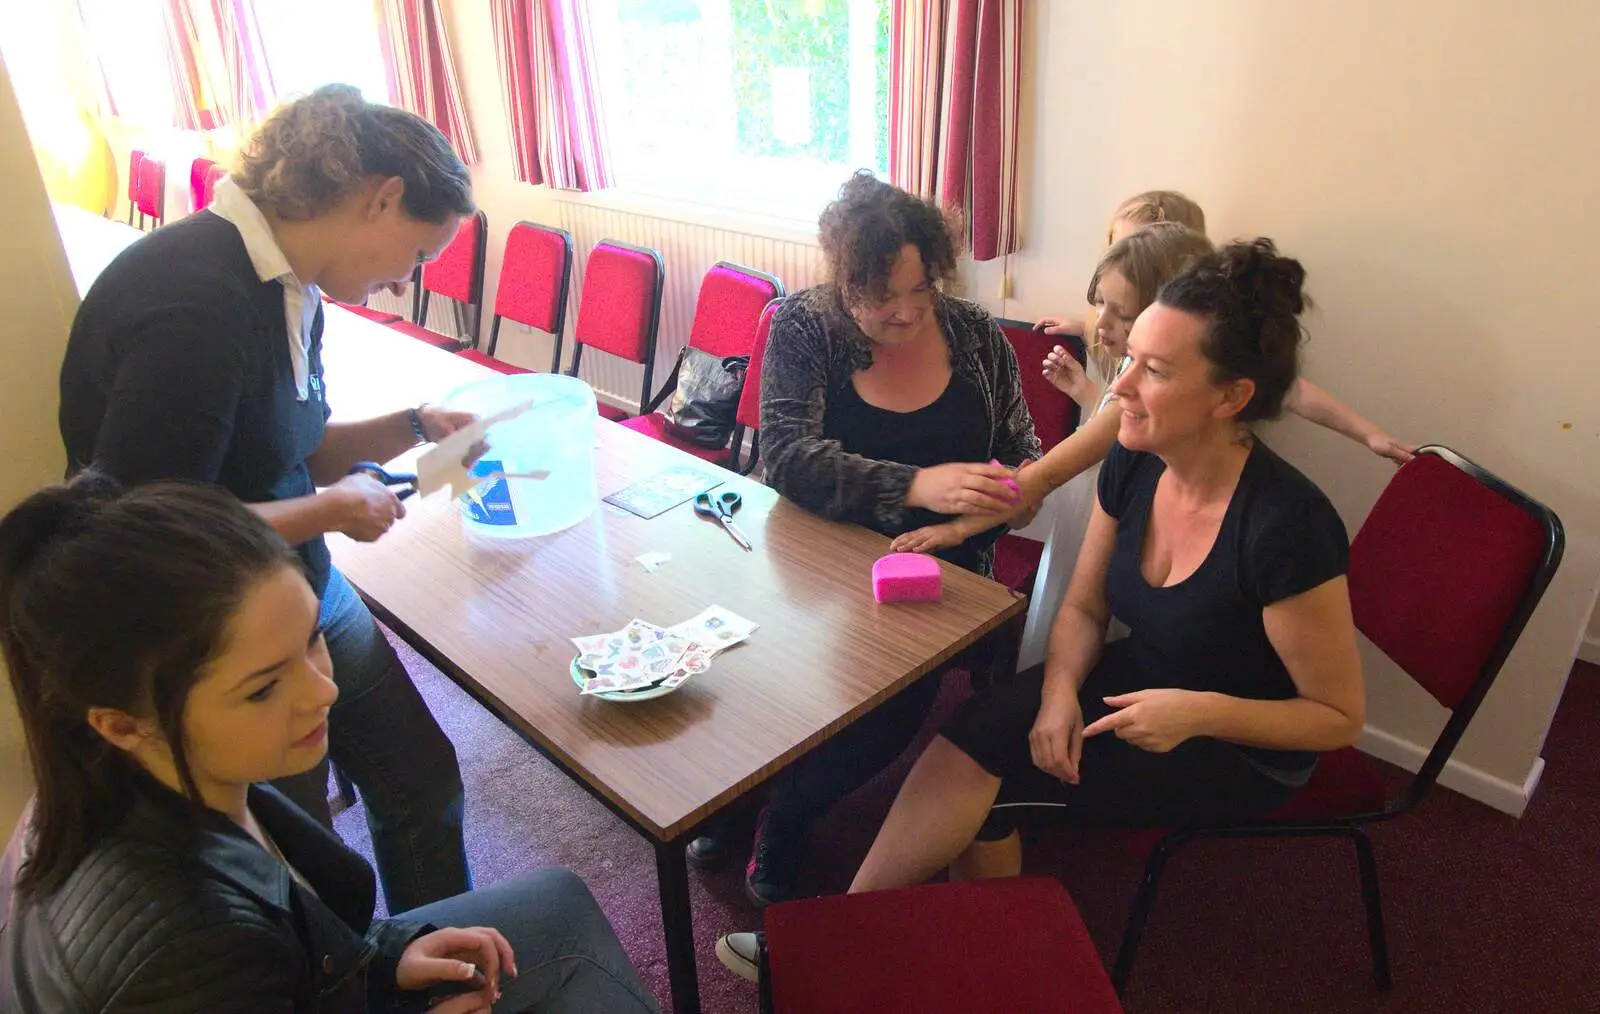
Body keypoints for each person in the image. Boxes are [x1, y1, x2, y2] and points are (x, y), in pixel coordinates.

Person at [716, 238, 1367, 981]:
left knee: (992, 797)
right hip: (1139, 684)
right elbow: (1085, 610)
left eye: (1153, 371)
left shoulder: (1288, 526)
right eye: (1132, 361)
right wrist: (1058, 692)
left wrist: (1196, 713)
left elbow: (1337, 716)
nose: (1118, 389)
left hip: (1238, 741)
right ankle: (837, 946)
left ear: (1231, 398)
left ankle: (952, 968)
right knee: (970, 735)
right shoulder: (1135, 457)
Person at [0, 476, 660, 1014]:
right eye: (263, 689)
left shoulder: (146, 774)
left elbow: (295, 938)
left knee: (555, 902)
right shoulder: (187, 953)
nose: (323, 692)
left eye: (312, 640)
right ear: (120, 723)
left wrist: (380, 958)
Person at [57, 85, 474, 911]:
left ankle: (445, 959)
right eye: (418, 255)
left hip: (298, 587)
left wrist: (415, 424)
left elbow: (286, 447)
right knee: (305, 851)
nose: (405, 283)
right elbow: (145, 528)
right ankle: (362, 982)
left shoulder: (291, 285)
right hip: (218, 632)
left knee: (422, 784)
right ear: (378, 199)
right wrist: (331, 511)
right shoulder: (197, 302)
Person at [689, 171, 1042, 909]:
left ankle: (786, 812)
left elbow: (1025, 453)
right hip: (815, 557)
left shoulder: (976, 337)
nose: (908, 313)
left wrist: (994, 499)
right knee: (762, 684)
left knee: (881, 723)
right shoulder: (804, 324)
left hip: (937, 573)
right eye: (884, 298)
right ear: (846, 283)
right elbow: (784, 456)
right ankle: (735, 799)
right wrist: (915, 484)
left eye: (922, 292)